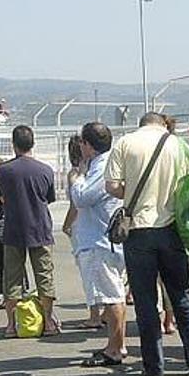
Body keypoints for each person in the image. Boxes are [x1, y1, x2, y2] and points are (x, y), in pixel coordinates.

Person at [105, 112, 189, 376]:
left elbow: (112, 185)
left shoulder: (125, 143)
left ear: (141, 123)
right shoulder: (178, 144)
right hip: (172, 228)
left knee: (145, 300)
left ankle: (153, 367)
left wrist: (132, 193)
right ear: (162, 124)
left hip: (138, 228)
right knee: (182, 296)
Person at [69, 122, 128, 366]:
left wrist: (76, 178)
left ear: (89, 146)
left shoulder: (100, 167)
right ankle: (116, 345)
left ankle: (115, 348)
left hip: (100, 242)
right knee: (115, 295)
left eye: (82, 142)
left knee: (112, 296)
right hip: (105, 240)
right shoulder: (106, 162)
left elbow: (83, 197)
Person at [0, 126, 59, 337]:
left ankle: (12, 325)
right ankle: (48, 321)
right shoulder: (45, 170)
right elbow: (49, 199)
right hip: (40, 228)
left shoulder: (4, 170)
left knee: (12, 279)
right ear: (33, 143)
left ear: (13, 144)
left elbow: (1, 197)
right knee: (44, 276)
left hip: (13, 228)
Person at [63, 134, 104, 329]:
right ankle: (104, 312)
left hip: (83, 228)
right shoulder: (96, 170)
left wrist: (66, 225)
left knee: (87, 272)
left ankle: (94, 315)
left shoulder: (76, 174)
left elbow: (75, 205)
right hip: (101, 227)